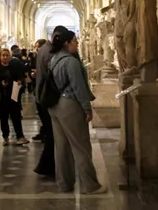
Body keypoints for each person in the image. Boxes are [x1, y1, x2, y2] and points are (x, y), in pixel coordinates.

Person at [48, 29, 106, 194]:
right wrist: (87, 108)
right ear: (67, 43)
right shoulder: (71, 62)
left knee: (61, 147)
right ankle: (90, 185)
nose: (77, 43)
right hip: (70, 105)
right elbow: (78, 87)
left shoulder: (54, 59)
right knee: (81, 146)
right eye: (75, 41)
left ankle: (64, 183)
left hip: (55, 105)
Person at [0, 48, 29, 145]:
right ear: (0, 57)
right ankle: (5, 136)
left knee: (16, 117)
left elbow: (21, 76)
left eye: (7, 55)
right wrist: (0, 83)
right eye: (3, 55)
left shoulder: (14, 67)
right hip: (1, 97)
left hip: (13, 95)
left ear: (10, 56)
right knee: (3, 118)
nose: (5, 57)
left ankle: (20, 136)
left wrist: (20, 81)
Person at [33, 35, 56, 177]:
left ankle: (47, 166)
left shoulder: (43, 51)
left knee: (51, 134)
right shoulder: (49, 53)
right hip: (47, 98)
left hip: (41, 96)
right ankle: (47, 166)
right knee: (52, 134)